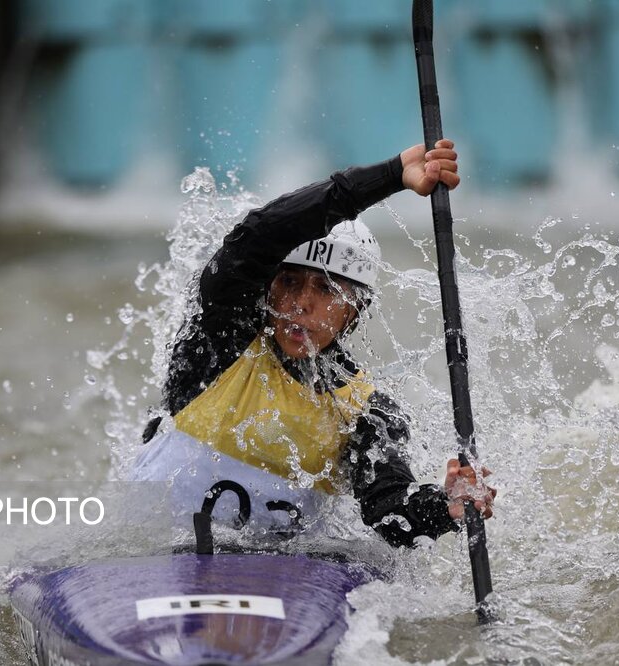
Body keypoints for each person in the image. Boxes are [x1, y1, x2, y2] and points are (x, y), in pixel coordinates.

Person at [133, 139, 496, 547]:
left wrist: (445, 505)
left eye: (325, 289)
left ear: (354, 311)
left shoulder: (367, 411)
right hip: (156, 551)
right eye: (288, 282)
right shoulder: (220, 340)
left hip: (281, 575)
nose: (300, 304)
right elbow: (258, 237)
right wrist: (391, 175)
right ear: (267, 288)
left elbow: (386, 510)